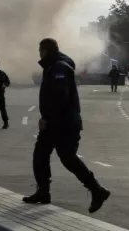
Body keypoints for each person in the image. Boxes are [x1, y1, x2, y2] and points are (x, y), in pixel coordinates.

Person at [23, 37, 111, 213]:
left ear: (46, 50)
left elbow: (60, 97)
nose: (39, 54)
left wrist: (47, 118)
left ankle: (97, 190)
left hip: (63, 123)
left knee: (68, 159)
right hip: (58, 122)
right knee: (41, 155)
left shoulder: (59, 68)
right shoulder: (54, 66)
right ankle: (43, 192)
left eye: (40, 50)